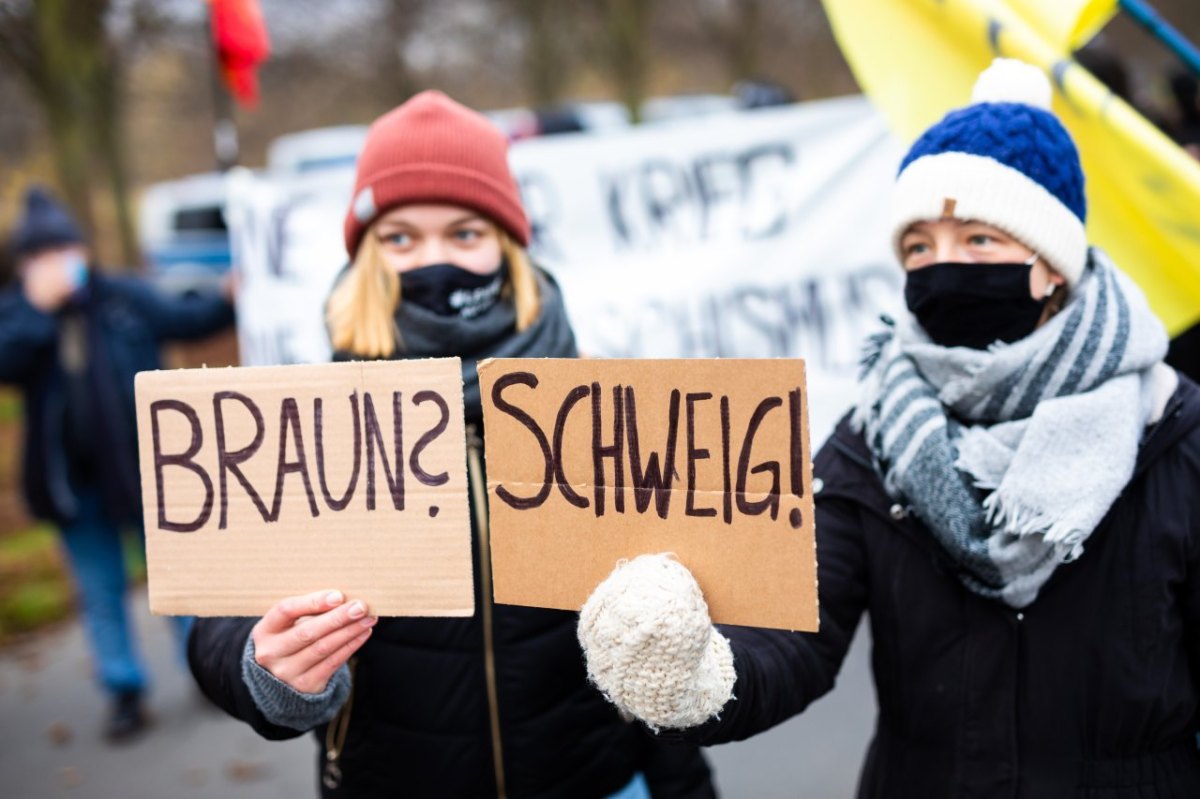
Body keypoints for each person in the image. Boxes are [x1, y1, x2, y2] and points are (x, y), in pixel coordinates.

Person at [578, 59, 1200, 798]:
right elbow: (795, 631)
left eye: (978, 240)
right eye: (919, 247)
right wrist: (694, 672)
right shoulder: (870, 435)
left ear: (1051, 265)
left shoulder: (1170, 429)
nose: (944, 266)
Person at [188, 91, 716, 799]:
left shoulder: (595, 394)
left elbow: (682, 592)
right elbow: (219, 609)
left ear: (507, 243)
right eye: (401, 238)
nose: (433, 259)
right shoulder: (312, 414)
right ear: (368, 253)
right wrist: (268, 665)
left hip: (601, 774)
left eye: (465, 233)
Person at [0, 186, 235, 740]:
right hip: (72, 490)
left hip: (149, 475)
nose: (56, 264)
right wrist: (39, 309)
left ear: (81, 250)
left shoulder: (124, 297)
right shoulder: (18, 314)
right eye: (40, 256)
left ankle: (204, 672)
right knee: (101, 592)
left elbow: (186, 317)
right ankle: (124, 690)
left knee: (175, 581)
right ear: (25, 266)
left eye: (62, 250)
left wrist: (227, 297)